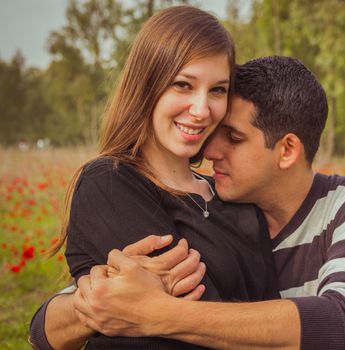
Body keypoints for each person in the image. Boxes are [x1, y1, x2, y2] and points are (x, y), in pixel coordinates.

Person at [30, 55, 345, 350]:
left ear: (287, 150)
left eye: (232, 138)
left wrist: (160, 314)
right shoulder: (212, 209)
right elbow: (53, 324)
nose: (209, 151)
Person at [31, 6, 281, 350]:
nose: (201, 109)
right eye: (183, 85)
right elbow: (205, 310)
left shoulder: (230, 195)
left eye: (218, 90)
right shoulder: (109, 182)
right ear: (147, 84)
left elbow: (271, 311)